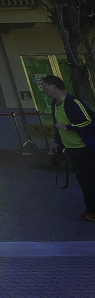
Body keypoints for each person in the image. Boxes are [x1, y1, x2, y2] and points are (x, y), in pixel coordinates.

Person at [39, 75, 95, 221]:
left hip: (85, 148)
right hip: (72, 149)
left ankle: (92, 211)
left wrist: (68, 127)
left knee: (88, 179)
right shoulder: (54, 104)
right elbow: (58, 125)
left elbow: (89, 122)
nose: (43, 89)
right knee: (83, 179)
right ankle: (91, 209)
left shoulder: (73, 102)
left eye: (44, 86)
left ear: (53, 86)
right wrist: (57, 143)